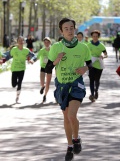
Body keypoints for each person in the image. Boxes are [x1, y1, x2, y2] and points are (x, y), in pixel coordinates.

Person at [45, 18, 92, 161]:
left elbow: (90, 63)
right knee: (66, 117)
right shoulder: (56, 47)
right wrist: (56, 61)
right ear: (61, 31)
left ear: (75, 29)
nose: (69, 31)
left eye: (71, 28)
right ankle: (70, 145)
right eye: (66, 28)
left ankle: (76, 138)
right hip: (61, 86)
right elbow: (47, 68)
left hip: (76, 84)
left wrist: (85, 68)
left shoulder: (83, 47)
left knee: (72, 115)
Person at [2, 36, 36, 103]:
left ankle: (17, 96)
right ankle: (17, 86)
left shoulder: (26, 50)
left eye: (22, 40)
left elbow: (34, 55)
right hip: (14, 69)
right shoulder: (14, 49)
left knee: (20, 82)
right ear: (17, 42)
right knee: (14, 84)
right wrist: (3, 61)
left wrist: (32, 60)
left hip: (22, 69)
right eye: (19, 41)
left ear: (24, 42)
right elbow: (8, 56)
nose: (21, 42)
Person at [87, 30, 108, 102]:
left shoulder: (101, 45)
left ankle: (96, 90)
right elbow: (85, 54)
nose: (95, 38)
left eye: (96, 36)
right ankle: (92, 94)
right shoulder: (88, 45)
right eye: (93, 36)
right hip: (91, 65)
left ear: (98, 37)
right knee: (91, 80)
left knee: (97, 80)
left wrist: (102, 56)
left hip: (99, 65)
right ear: (91, 37)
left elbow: (106, 55)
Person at [36, 37, 52, 103]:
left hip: (49, 67)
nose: (46, 43)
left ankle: (45, 95)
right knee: (42, 82)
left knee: (48, 83)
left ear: (50, 42)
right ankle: (42, 87)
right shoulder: (42, 50)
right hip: (43, 67)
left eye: (47, 42)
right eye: (45, 42)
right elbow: (36, 57)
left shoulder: (52, 50)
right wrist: (32, 60)